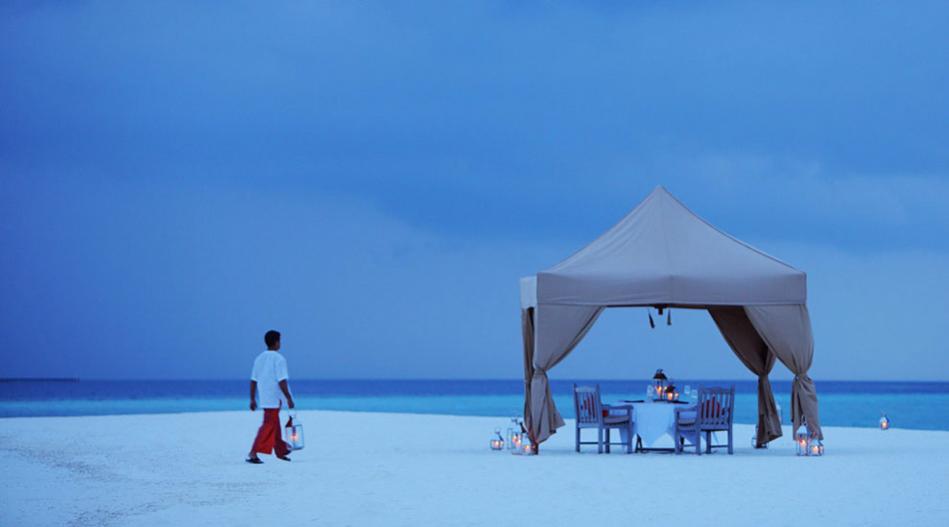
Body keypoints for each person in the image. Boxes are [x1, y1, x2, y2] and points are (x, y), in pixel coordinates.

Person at [246, 329, 295, 464]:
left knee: (274, 423)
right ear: (276, 342)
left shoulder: (259, 358)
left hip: (264, 396)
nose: (280, 343)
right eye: (280, 341)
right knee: (268, 425)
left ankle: (281, 450)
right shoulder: (279, 359)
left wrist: (252, 398)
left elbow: (253, 380)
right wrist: (288, 397)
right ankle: (253, 452)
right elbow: (282, 380)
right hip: (275, 397)